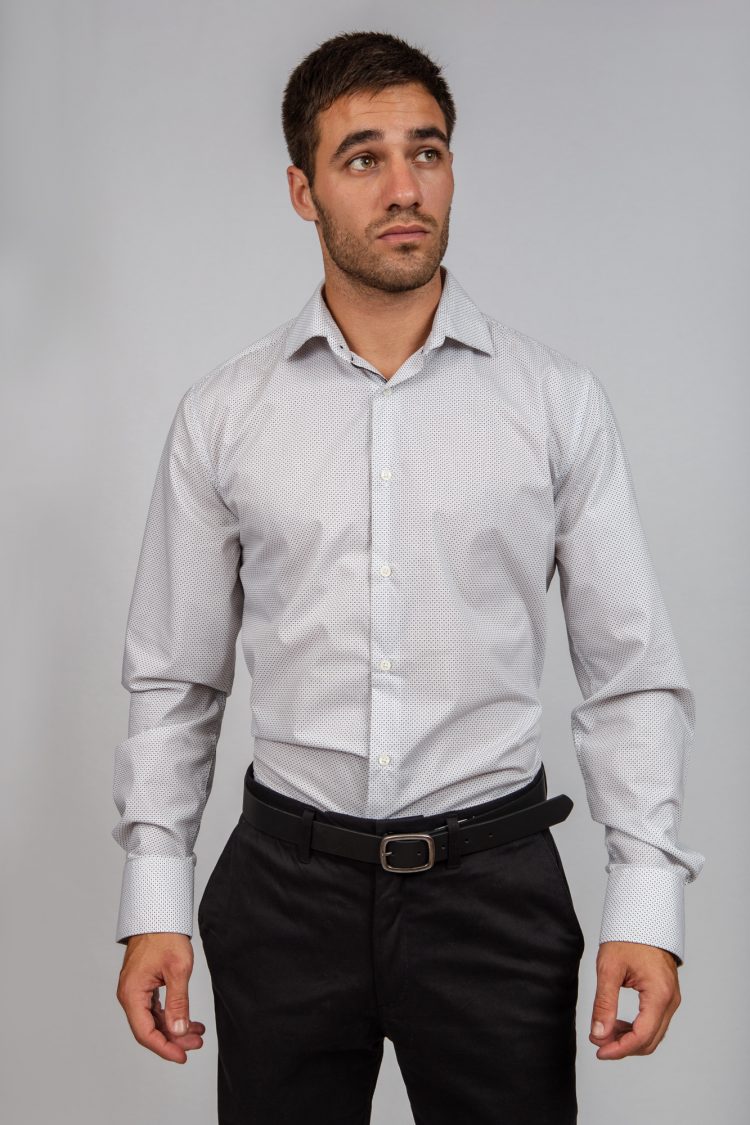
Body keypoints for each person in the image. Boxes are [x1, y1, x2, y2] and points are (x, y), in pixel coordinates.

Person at [112, 29, 705, 1124]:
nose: (404, 189)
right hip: (284, 893)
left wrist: (646, 900)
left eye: (426, 153)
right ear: (303, 191)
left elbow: (630, 674)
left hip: (495, 891)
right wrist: (155, 897)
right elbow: (176, 681)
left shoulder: (554, 403)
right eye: (363, 158)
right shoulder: (225, 416)